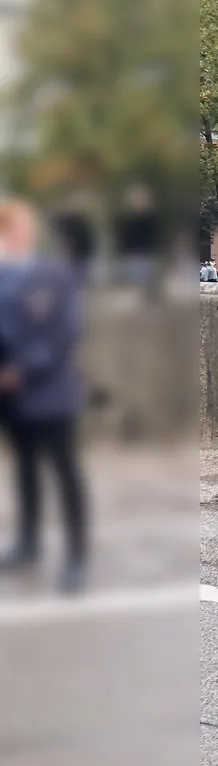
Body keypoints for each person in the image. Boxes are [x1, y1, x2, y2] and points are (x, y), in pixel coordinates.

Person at [0, 201, 88, 592]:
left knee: (64, 471)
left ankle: (76, 558)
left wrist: (21, 370)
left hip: (47, 388)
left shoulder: (55, 275)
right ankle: (29, 542)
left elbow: (65, 331)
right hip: (10, 395)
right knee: (24, 468)